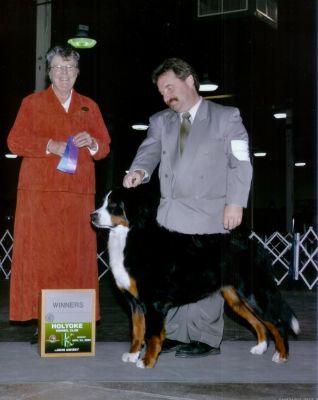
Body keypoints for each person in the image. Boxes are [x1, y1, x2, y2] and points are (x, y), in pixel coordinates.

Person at [123, 57, 252, 358]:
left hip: (210, 212)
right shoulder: (160, 121)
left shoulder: (226, 116)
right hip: (169, 216)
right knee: (171, 278)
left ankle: (205, 338)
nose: (166, 95)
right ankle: (177, 335)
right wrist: (139, 171)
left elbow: (241, 162)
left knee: (205, 279)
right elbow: (149, 150)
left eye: (170, 87)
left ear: (190, 80)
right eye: (161, 91)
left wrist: (235, 202)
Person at [7, 45, 111, 330]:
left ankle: (72, 322)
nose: (64, 73)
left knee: (75, 259)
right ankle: (44, 320)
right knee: (41, 258)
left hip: (78, 194)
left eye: (70, 68)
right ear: (49, 73)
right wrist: (47, 145)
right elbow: (14, 142)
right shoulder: (31, 103)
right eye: (58, 68)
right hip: (38, 195)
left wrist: (92, 142)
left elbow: (104, 148)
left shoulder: (90, 106)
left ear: (77, 73)